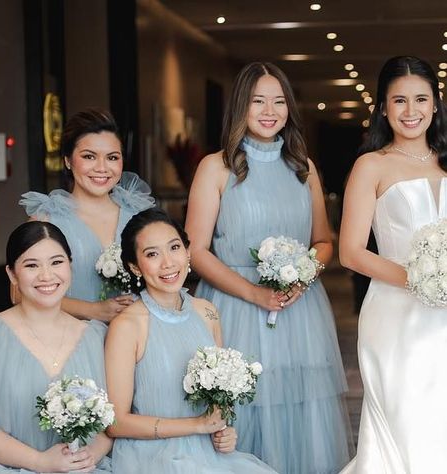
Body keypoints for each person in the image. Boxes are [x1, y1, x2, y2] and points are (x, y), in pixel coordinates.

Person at [185, 62, 351, 474]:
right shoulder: (215, 167)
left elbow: (324, 242)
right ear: (240, 106)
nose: (269, 110)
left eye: (279, 101)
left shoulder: (304, 168)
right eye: (258, 100)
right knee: (241, 407)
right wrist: (255, 292)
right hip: (235, 307)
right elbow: (196, 250)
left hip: (298, 311)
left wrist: (304, 274)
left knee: (297, 411)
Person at [105, 208, 277, 473]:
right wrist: (196, 425)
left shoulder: (207, 312)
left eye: (174, 248)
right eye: (152, 254)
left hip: (208, 453)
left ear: (187, 252)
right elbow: (116, 423)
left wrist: (224, 430)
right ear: (135, 266)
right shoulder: (127, 326)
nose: (168, 263)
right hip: (152, 457)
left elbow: (220, 396)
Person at [339, 56, 447, 472]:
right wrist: (421, 279)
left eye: (421, 99)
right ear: (383, 108)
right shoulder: (372, 166)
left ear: (435, 104)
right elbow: (351, 252)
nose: (410, 111)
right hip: (395, 313)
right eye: (398, 100)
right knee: (406, 418)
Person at [0, 221, 112, 473]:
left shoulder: (95, 337)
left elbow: (110, 424)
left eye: (57, 262)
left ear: (70, 265)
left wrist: (88, 456)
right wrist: (39, 462)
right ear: (12, 274)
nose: (46, 275)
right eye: (31, 265)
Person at [20, 108, 154, 322]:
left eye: (112, 157)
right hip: (72, 340)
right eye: (89, 156)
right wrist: (91, 310)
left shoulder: (140, 216)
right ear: (67, 161)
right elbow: (18, 293)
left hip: (136, 339)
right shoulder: (47, 220)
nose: (102, 168)